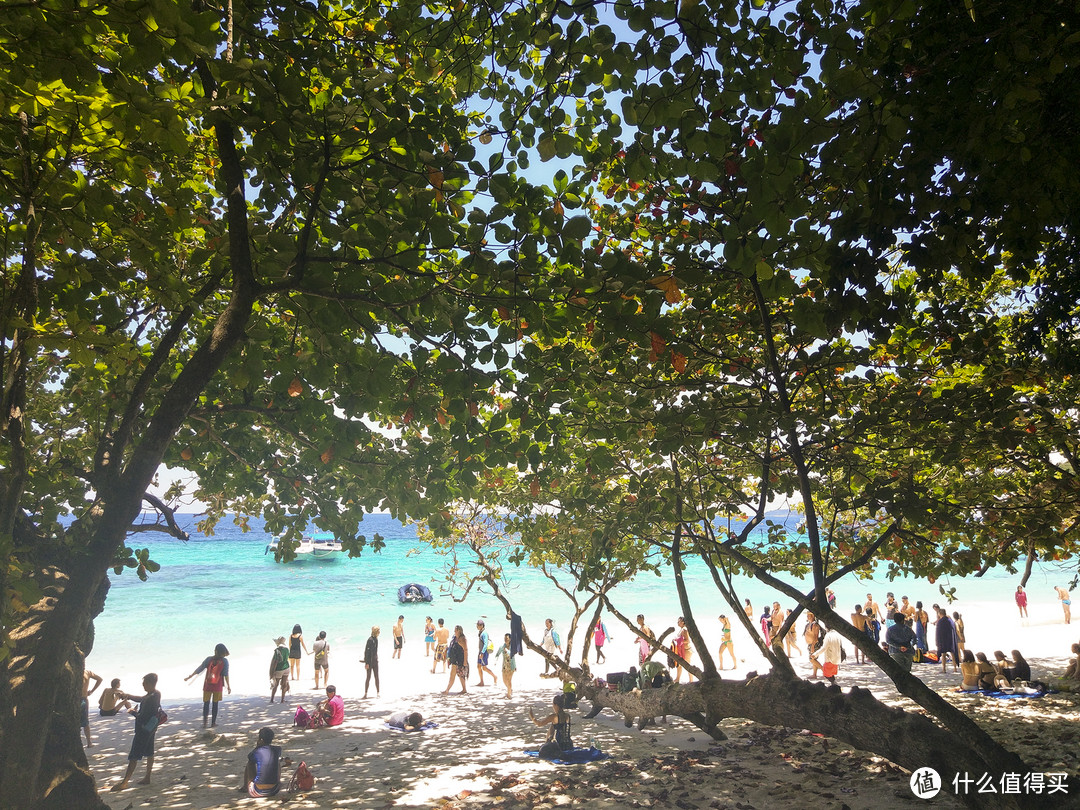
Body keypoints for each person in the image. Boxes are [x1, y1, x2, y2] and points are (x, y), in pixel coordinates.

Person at [110, 673, 161, 792]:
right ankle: (147, 777)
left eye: (144, 683)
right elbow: (141, 698)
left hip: (142, 730)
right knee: (149, 752)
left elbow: (142, 717)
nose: (143, 685)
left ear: (149, 683)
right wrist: (128, 696)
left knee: (134, 755)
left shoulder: (149, 698)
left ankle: (125, 782)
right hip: (151, 728)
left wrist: (132, 712)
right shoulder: (156, 694)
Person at [185, 642, 231, 727]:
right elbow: (225, 674)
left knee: (206, 703)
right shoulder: (224, 661)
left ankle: (205, 722)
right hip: (218, 686)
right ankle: (213, 723)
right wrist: (228, 686)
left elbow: (200, 668)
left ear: (215, 651)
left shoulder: (209, 659)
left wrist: (190, 676)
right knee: (215, 704)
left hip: (207, 685)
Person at [241, 727, 283, 797]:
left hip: (257, 791)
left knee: (250, 763)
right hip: (274, 790)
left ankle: (245, 786)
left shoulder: (257, 751)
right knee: (277, 761)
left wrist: (257, 747)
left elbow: (250, 757)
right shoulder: (277, 749)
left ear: (261, 740)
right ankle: (277, 781)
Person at [529, 693, 573, 759]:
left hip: (559, 746)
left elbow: (539, 724)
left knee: (542, 750)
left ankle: (547, 742)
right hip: (569, 744)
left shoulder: (553, 717)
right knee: (553, 725)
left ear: (555, 705)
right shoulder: (568, 716)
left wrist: (532, 717)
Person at [443, 625, 469, 694]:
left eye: (455, 630)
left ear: (459, 631)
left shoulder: (462, 638)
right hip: (454, 659)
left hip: (460, 659)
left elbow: (466, 650)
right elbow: (452, 646)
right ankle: (449, 690)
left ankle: (448, 690)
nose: (454, 631)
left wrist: (465, 662)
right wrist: (446, 650)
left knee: (459, 675)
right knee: (456, 674)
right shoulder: (455, 638)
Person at [81, 668, 103, 746]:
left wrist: (91, 691)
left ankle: (89, 742)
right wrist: (91, 691)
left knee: (83, 721)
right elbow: (99, 679)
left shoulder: (85, 672)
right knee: (85, 722)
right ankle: (89, 742)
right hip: (83, 698)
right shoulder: (87, 672)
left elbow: (100, 679)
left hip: (80, 698)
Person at [935, 608, 960, 672]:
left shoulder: (940, 622)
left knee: (943, 654)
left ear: (940, 614)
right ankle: (955, 668)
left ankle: (944, 669)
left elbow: (938, 633)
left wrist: (937, 642)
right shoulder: (950, 620)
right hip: (951, 639)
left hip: (943, 640)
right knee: (953, 654)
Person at [475, 620, 498, 686]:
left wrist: (482, 653)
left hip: (484, 652)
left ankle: (495, 677)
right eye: (477, 625)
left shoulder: (484, 633)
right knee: (479, 666)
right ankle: (481, 681)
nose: (477, 626)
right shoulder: (481, 632)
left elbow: (485, 644)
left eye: (478, 625)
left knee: (484, 668)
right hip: (480, 652)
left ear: (482, 626)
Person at [495, 632, 517, 698]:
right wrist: (495, 661)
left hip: (511, 665)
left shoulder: (512, 646)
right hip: (504, 666)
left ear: (510, 639)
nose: (505, 639)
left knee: (509, 680)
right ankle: (510, 689)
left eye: (507, 638)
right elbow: (497, 654)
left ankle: (509, 694)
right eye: (504, 638)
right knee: (504, 680)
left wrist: (507, 650)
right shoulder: (502, 647)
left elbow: (512, 654)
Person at [269, 636, 290, 703]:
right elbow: (287, 658)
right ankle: (282, 700)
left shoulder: (277, 650)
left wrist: (272, 672)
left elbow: (275, 661)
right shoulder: (287, 649)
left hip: (279, 668)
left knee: (276, 684)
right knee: (284, 684)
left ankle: (272, 699)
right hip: (286, 667)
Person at [672, 617, 693, 683]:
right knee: (679, 665)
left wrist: (678, 640)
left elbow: (687, 640)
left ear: (683, 622)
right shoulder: (682, 629)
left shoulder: (684, 629)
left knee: (687, 666)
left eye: (679, 621)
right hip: (683, 650)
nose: (677, 623)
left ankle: (691, 680)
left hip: (686, 650)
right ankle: (677, 679)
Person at [363, 626, 380, 698]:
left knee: (376, 676)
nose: (379, 632)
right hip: (369, 662)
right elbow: (366, 652)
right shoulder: (370, 640)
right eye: (379, 631)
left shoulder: (376, 639)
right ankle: (365, 693)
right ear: (376, 631)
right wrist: (366, 663)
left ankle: (378, 693)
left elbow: (375, 651)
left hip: (375, 661)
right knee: (368, 677)